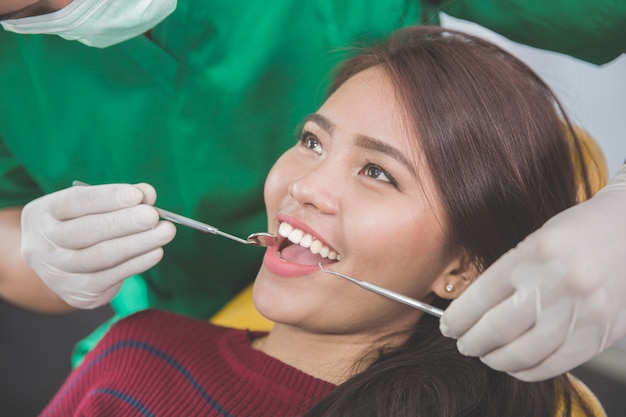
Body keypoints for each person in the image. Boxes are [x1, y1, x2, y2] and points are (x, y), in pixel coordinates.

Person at [1, 0, 625, 378]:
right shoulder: (124, 379)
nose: (304, 186)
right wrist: (35, 254)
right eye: (309, 140)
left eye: (378, 171)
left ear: (464, 269)